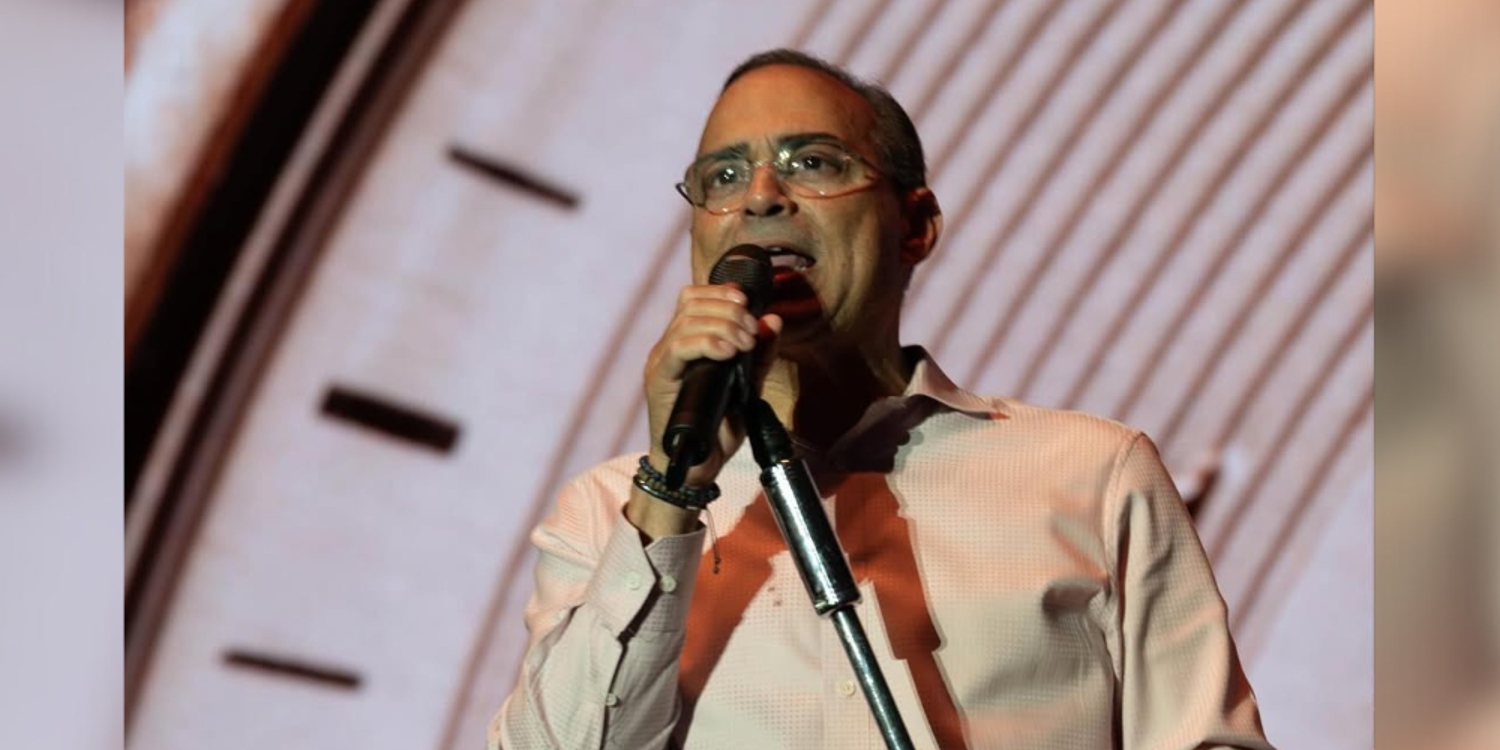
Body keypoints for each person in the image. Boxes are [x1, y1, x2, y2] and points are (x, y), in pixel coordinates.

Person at [489, 48, 1274, 750]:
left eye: (812, 162)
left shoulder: (1092, 473)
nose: (760, 197)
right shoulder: (608, 516)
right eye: (722, 177)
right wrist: (671, 490)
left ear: (915, 225)